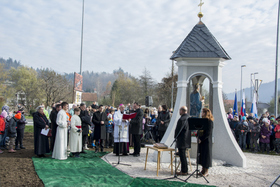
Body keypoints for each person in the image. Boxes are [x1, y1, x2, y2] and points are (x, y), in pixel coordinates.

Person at [174, 106, 191, 176]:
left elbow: (178, 130)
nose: (179, 112)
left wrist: (175, 137)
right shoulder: (189, 118)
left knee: (182, 156)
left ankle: (184, 171)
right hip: (187, 140)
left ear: (182, 111)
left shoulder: (182, 119)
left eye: (180, 110)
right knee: (183, 156)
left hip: (182, 140)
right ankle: (184, 170)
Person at [198, 108, 214, 177]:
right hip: (201, 141)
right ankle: (203, 169)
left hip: (206, 141)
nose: (201, 113)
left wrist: (201, 139)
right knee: (202, 155)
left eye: (202, 112)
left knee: (206, 156)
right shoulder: (203, 121)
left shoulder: (210, 122)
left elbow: (208, 133)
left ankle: (206, 171)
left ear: (205, 113)